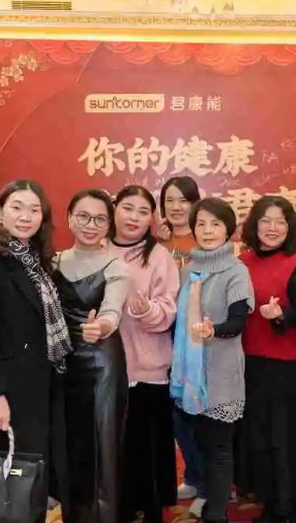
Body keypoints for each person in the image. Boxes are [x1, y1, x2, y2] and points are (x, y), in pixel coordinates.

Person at [0, 179, 70, 523]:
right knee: (17, 479)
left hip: (42, 381)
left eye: (34, 210)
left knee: (33, 475)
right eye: (17, 207)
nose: (26, 216)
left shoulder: (37, 260)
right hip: (13, 389)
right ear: (0, 212)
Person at [170, 198, 255, 523]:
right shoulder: (187, 270)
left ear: (228, 230)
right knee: (199, 442)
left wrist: (212, 330)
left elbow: (238, 322)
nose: (207, 231)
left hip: (221, 371)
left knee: (219, 447)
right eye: (201, 224)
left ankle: (217, 514)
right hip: (190, 374)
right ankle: (207, 495)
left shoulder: (236, 270)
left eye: (215, 224)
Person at [52, 188, 130, 523]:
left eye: (99, 219)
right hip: (62, 364)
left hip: (101, 364)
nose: (90, 224)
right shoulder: (52, 262)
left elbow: (113, 310)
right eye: (83, 216)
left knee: (102, 444)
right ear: (69, 218)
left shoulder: (116, 266)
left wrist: (103, 326)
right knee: (69, 443)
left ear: (109, 225)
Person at [237, 196, 296, 522]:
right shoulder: (241, 262)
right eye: (265, 221)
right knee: (257, 436)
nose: (272, 228)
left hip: (283, 367)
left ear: (290, 227)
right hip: (248, 364)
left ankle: (286, 507)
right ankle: (267, 499)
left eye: (280, 222)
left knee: (282, 439)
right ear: (254, 225)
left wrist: (280, 314)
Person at [109, 185, 179, 523]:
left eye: (142, 212)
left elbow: (169, 310)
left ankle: (151, 510)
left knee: (148, 450)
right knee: (115, 448)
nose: (134, 217)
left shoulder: (160, 256)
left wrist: (147, 309)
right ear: (114, 209)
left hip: (149, 369)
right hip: (106, 369)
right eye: (128, 208)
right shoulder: (98, 250)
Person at [158, 175, 205, 511]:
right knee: (174, 410)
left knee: (197, 407)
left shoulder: (205, 239)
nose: (176, 207)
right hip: (162, 332)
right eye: (169, 201)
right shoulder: (156, 243)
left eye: (183, 200)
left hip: (195, 334)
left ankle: (211, 481)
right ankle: (193, 474)